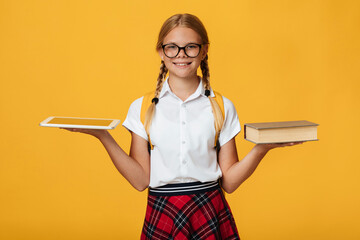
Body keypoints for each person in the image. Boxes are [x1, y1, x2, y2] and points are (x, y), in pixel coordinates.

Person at [62, 13, 303, 240]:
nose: (181, 54)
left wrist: (262, 148)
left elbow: (229, 182)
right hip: (162, 208)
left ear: (204, 50)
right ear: (161, 52)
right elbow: (140, 180)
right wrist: (103, 137)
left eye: (191, 46)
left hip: (209, 208)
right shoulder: (142, 106)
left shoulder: (222, 106)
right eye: (172, 47)